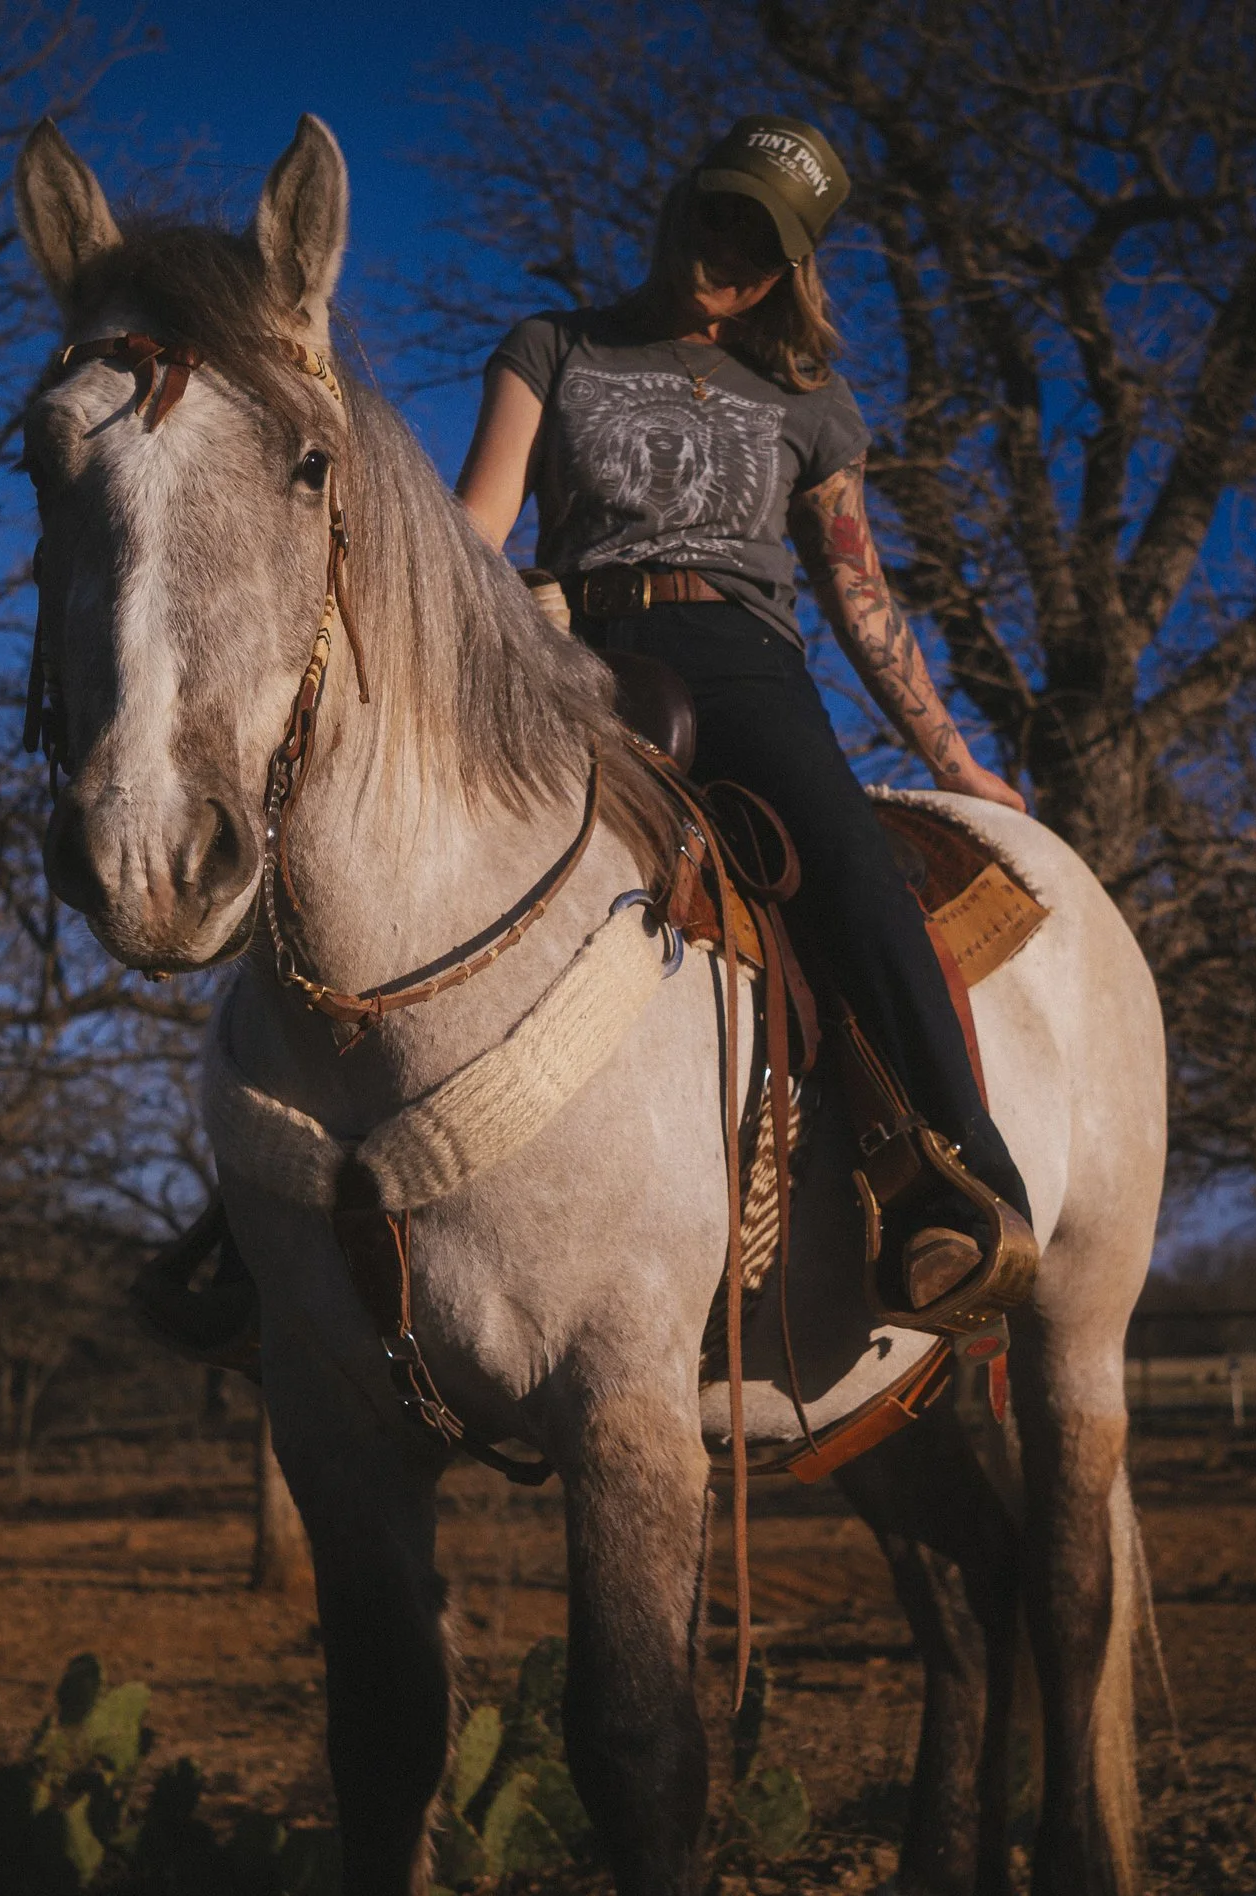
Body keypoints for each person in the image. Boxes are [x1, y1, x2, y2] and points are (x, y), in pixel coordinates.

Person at [454, 114, 1033, 1309]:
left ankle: (957, 1177)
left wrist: (956, 759)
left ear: (790, 268)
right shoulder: (551, 344)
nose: (729, 249)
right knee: (390, 827)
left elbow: (862, 598)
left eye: (761, 241)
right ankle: (269, 1218)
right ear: (684, 203)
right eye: (720, 211)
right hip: (570, 646)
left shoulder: (811, 404)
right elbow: (479, 523)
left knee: (853, 871)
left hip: (739, 659)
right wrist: (478, 621)